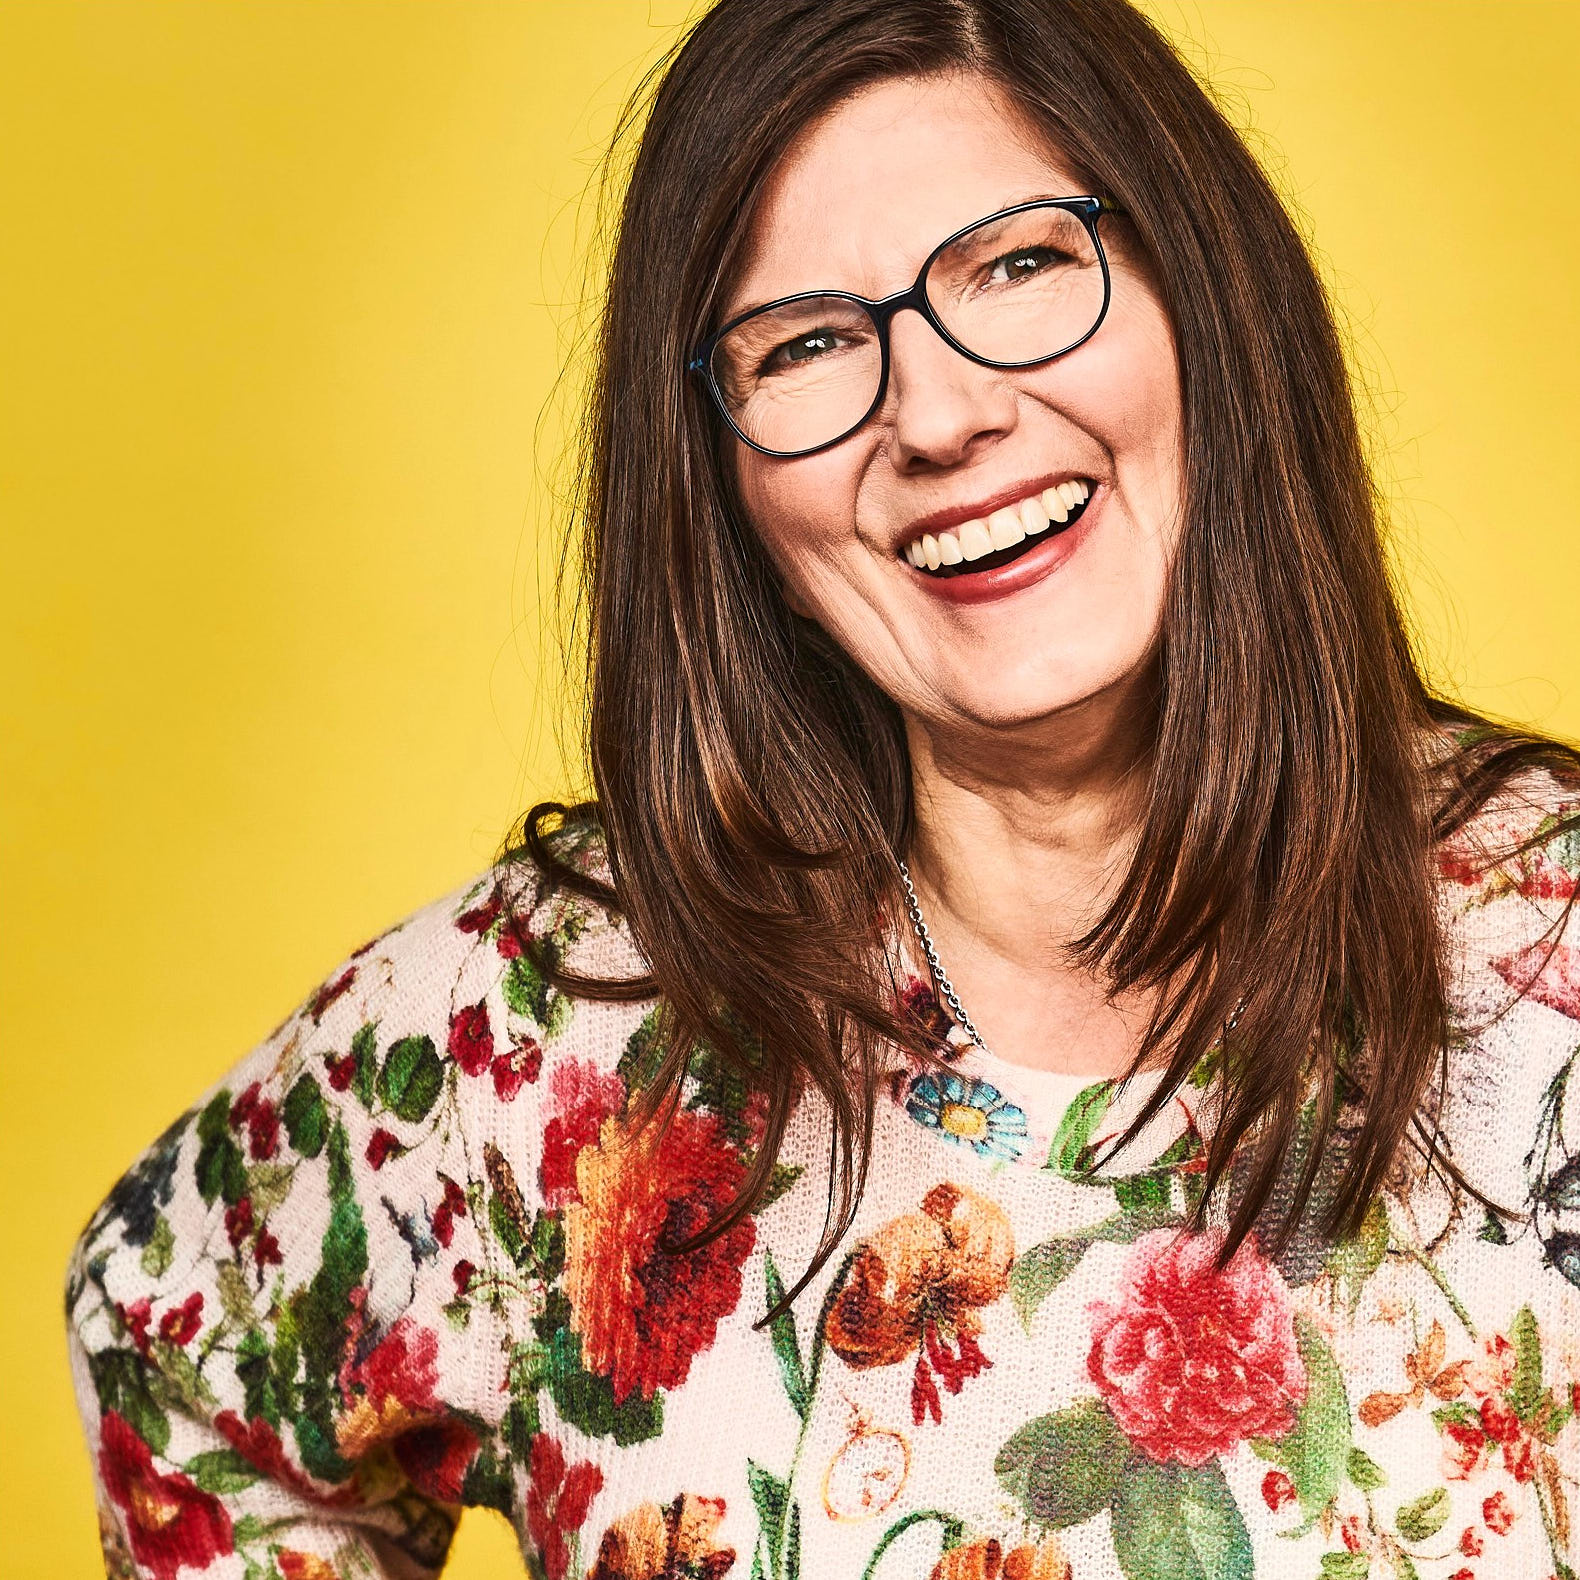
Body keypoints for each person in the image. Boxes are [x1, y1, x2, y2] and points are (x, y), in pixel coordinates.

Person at [65, 1, 1580, 1576]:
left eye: (1019, 265)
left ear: (1208, 299)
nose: (940, 416)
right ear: (723, 484)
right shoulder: (547, 1037)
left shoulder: (1557, 958)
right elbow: (178, 1334)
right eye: (804, 347)